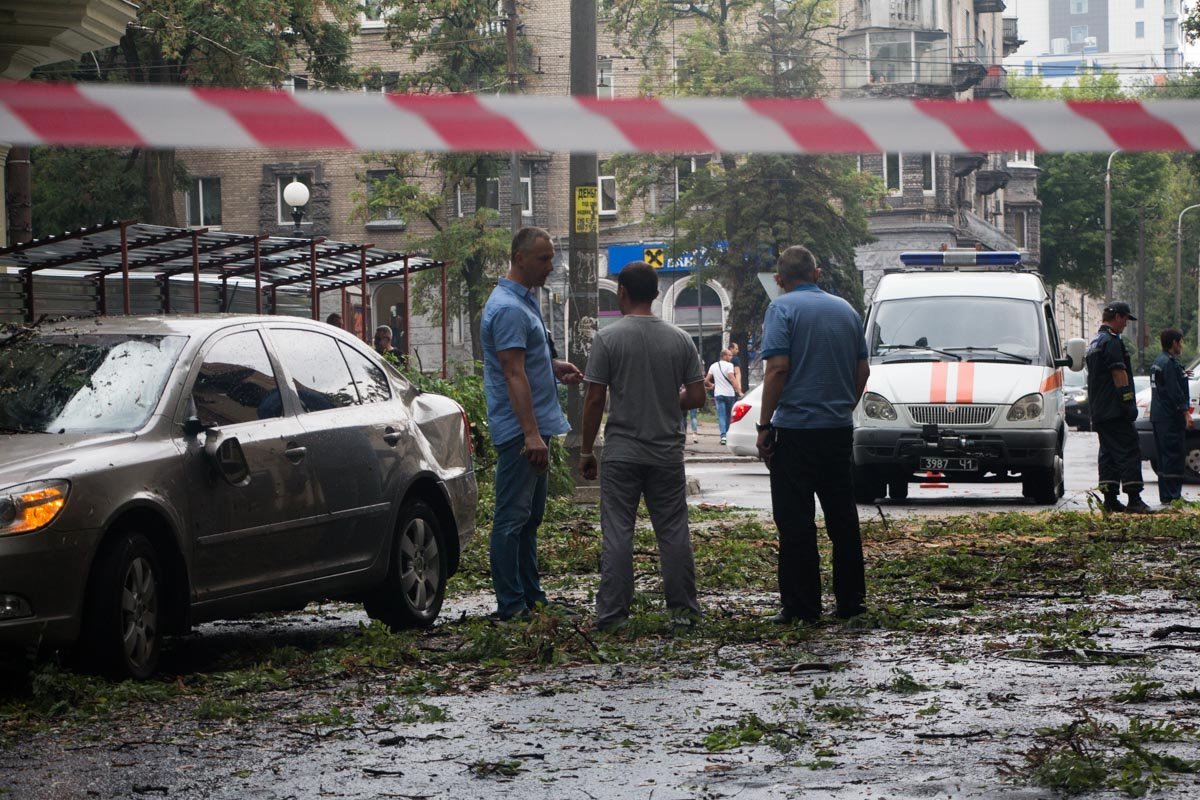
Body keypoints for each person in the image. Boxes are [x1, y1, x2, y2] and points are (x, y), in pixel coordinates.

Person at [580, 262, 707, 632]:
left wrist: (587, 451)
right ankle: (683, 612)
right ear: (655, 294)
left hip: (622, 453)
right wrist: (670, 402)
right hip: (666, 453)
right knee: (673, 530)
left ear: (622, 292)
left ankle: (613, 615)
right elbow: (698, 396)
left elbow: (593, 400)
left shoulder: (608, 338)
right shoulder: (680, 339)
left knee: (618, 530)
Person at [755, 245, 869, 624]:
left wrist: (764, 424)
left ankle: (803, 608)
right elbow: (863, 372)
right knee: (843, 520)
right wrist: (842, 407)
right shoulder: (847, 311)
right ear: (817, 273)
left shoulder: (781, 309)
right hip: (837, 430)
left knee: (796, 522)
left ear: (779, 280)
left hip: (795, 432)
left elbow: (777, 369)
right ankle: (851, 603)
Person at [481, 227, 584, 620]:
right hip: (522, 433)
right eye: (543, 258)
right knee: (511, 520)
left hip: (534, 429)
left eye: (551, 257)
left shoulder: (522, 301)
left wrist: (553, 367)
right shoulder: (508, 307)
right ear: (519, 258)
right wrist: (529, 434)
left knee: (529, 519)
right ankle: (511, 605)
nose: (550, 265)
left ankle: (531, 598)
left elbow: (524, 362)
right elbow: (512, 374)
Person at [1085, 301, 1152, 514]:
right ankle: (1134, 499)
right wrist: (1127, 401)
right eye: (1125, 321)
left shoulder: (1095, 342)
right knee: (1129, 449)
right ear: (1119, 317)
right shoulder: (1112, 342)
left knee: (1108, 453)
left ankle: (1110, 498)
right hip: (1115, 410)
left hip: (1099, 410)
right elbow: (1118, 373)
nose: (1125, 326)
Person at [1149, 328, 1193, 504]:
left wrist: (1182, 375)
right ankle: (1174, 496)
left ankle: (1167, 495)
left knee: (1164, 457)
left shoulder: (1159, 362)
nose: (1181, 346)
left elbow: (1166, 383)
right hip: (1170, 418)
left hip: (1159, 417)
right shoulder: (1169, 364)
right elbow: (1174, 392)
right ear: (1174, 342)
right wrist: (1186, 414)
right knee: (1174, 456)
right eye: (1180, 342)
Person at [705, 349, 739, 445]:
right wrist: (738, 390)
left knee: (721, 416)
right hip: (729, 394)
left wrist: (712, 385)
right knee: (729, 416)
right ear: (723, 356)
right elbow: (732, 378)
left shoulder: (713, 366)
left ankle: (723, 436)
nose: (731, 357)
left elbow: (706, 380)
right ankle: (728, 435)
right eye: (729, 355)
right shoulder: (729, 365)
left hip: (718, 394)